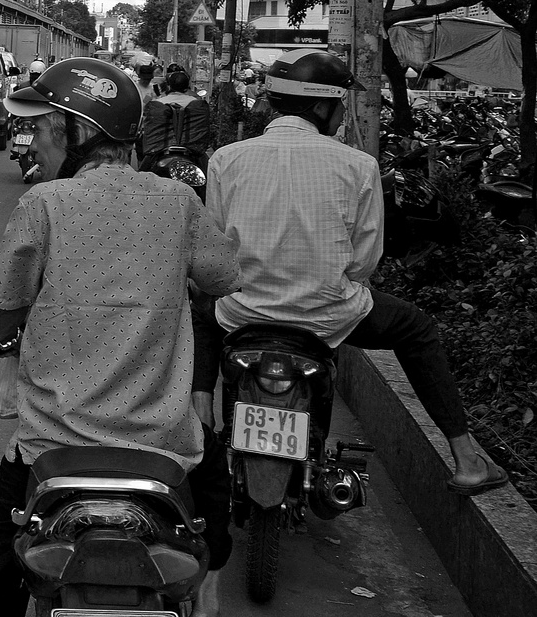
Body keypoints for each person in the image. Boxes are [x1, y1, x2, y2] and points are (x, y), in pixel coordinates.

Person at [0, 58, 238, 617]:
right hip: (162, 448)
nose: (31, 142)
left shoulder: (43, 204)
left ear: (78, 132)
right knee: (213, 524)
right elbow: (225, 278)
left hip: (53, 449)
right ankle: (209, 590)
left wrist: (5, 340)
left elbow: (8, 301)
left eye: (40, 127)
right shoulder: (178, 203)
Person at [200, 48, 507, 496]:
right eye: (341, 104)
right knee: (417, 329)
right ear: (322, 106)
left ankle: (203, 422)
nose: (344, 114)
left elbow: (217, 249)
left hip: (241, 314)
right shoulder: (359, 166)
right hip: (329, 315)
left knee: (197, 313)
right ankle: (466, 459)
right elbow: (364, 262)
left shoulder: (226, 159)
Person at [138, 64, 213, 166]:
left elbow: (148, 127)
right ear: (187, 86)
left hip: (160, 150)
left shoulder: (157, 103)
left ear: (169, 85)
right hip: (192, 151)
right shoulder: (198, 104)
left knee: (144, 168)